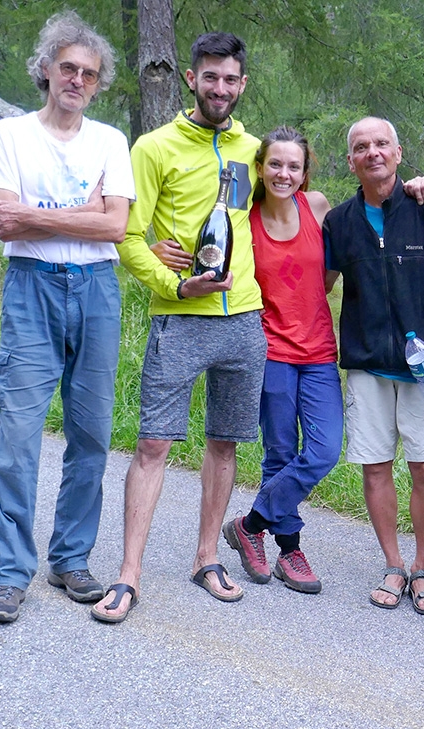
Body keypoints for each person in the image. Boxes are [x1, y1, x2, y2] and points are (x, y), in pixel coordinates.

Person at [91, 32, 265, 623]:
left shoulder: (253, 149)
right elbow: (127, 238)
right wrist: (175, 285)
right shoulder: (155, 146)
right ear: (192, 80)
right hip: (180, 317)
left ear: (243, 84)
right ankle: (129, 574)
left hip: (243, 318)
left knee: (225, 442)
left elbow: (294, 199)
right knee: (153, 443)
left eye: (231, 79)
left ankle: (207, 558)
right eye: (210, 77)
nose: (220, 88)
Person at [0, 11, 134, 623]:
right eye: (66, 68)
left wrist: (39, 216)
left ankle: (71, 558)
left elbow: (116, 227)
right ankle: (8, 574)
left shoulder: (109, 141)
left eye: (88, 74)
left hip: (96, 290)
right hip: (31, 290)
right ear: (45, 70)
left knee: (92, 434)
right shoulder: (9, 135)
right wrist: (84, 211)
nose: (76, 80)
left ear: (97, 85)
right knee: (18, 438)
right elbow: (2, 223)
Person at [152, 126, 341, 594]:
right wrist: (158, 247)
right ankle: (290, 550)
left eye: (294, 165)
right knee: (279, 451)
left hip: (318, 350)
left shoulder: (317, 207)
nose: (284, 173)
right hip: (270, 347)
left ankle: (251, 523)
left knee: (324, 450)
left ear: (305, 171)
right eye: (274, 164)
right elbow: (202, 222)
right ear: (259, 168)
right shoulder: (244, 212)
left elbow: (334, 272)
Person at [323, 116, 424, 615]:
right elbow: (321, 286)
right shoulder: (339, 222)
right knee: (376, 466)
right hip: (365, 363)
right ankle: (394, 564)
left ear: (399, 153)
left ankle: (423, 567)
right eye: (362, 147)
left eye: (382, 144)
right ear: (351, 161)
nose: (373, 152)